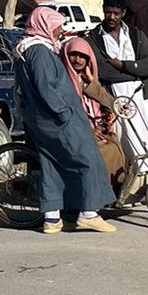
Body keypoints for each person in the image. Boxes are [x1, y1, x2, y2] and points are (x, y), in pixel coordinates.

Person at [13, 7, 115, 234]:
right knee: (87, 158)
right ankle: (89, 213)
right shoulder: (39, 52)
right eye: (57, 25)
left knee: (52, 164)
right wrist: (64, 113)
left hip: (40, 119)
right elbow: (46, 88)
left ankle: (52, 218)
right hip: (57, 119)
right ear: (45, 25)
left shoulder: (25, 49)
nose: (60, 30)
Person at [89, 0, 148, 171]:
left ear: (123, 13)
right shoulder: (94, 38)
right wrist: (137, 73)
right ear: (103, 11)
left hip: (141, 96)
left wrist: (123, 65)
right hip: (114, 99)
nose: (112, 17)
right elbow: (104, 71)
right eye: (108, 12)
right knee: (126, 141)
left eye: (116, 13)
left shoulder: (135, 34)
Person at [61, 35, 127, 193]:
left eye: (82, 56)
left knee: (115, 147)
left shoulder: (85, 81)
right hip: (74, 132)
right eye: (73, 55)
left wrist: (93, 83)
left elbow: (110, 104)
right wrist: (88, 131)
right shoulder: (63, 81)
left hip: (95, 130)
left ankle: (111, 191)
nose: (78, 60)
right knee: (105, 152)